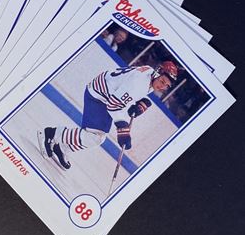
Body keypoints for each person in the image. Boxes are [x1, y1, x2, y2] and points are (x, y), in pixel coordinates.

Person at [38, 61, 178, 169]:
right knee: (95, 137)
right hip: (99, 96)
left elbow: (127, 87)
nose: (162, 87)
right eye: (162, 81)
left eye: (166, 85)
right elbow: (114, 105)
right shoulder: (139, 83)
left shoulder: (149, 72)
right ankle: (50, 134)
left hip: (106, 94)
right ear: (157, 73)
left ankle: (61, 148)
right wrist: (123, 130)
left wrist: (142, 102)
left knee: (97, 138)